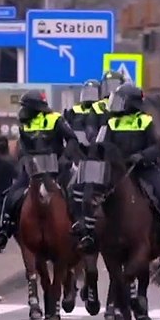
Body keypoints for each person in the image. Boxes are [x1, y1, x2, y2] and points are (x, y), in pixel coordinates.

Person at [83, 82, 160, 252]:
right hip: (117, 170)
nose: (116, 104)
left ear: (132, 104)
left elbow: (156, 147)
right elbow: (103, 144)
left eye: (121, 101)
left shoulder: (145, 120)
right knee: (91, 193)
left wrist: (142, 155)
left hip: (143, 168)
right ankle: (88, 233)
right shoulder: (111, 122)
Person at [0, 90, 78, 251]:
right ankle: (4, 229)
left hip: (57, 168)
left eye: (25, 107)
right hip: (33, 169)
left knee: (76, 193)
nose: (22, 110)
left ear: (33, 107)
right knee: (11, 195)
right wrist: (24, 159)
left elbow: (71, 139)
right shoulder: (24, 123)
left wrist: (65, 158)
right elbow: (23, 146)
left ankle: (81, 227)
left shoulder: (56, 119)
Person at [62, 79, 105, 230]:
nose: (89, 96)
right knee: (66, 185)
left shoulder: (103, 109)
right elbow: (68, 135)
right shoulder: (73, 111)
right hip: (77, 155)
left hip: (99, 156)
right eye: (87, 92)